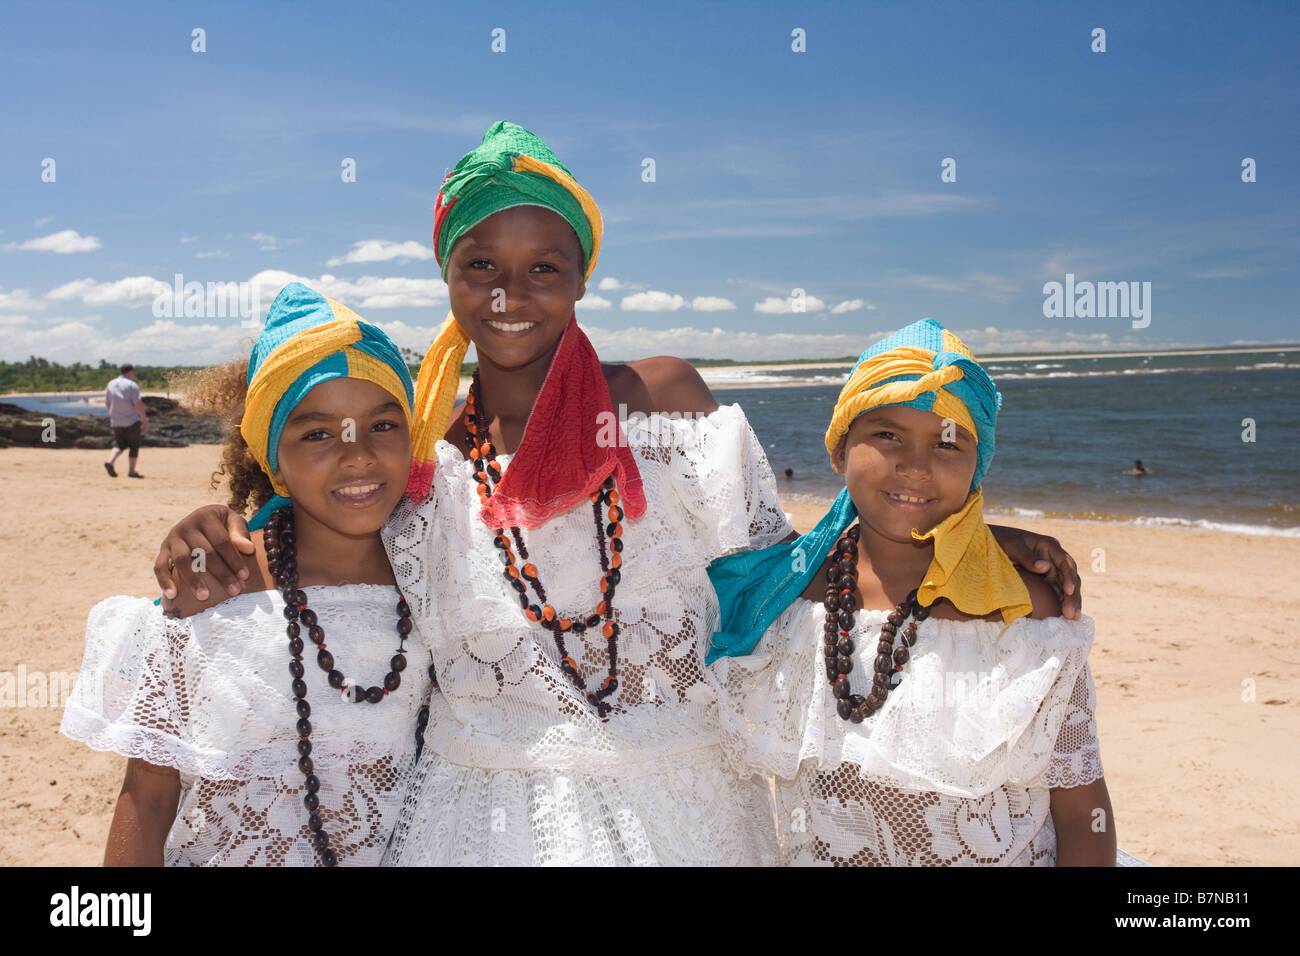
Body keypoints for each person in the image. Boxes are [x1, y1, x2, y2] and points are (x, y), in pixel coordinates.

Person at [150, 122, 1084, 865]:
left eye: (543, 267)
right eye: (482, 264)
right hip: (476, 820)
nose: (511, 292)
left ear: (582, 275)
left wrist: (958, 530)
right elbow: (327, 530)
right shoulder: (420, 448)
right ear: (448, 276)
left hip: (691, 812)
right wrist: (221, 531)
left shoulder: (664, 401)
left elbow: (775, 572)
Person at [708, 318, 1114, 866]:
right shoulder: (784, 595)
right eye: (887, 434)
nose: (915, 465)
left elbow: (1081, 810)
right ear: (838, 450)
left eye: (949, 442)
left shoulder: (1023, 612)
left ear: (976, 469)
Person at [60, 284, 433, 866]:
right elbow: (149, 798)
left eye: (383, 425)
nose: (357, 454)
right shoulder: (216, 583)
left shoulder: (435, 574)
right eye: (316, 433)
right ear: (270, 454)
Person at [104, 362, 147, 478]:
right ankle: (131, 471)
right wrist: (143, 419)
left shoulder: (111, 384)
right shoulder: (132, 385)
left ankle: (110, 462)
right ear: (131, 371)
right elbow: (137, 403)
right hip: (131, 420)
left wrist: (113, 414)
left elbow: (107, 403)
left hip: (116, 420)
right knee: (133, 445)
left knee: (119, 444)